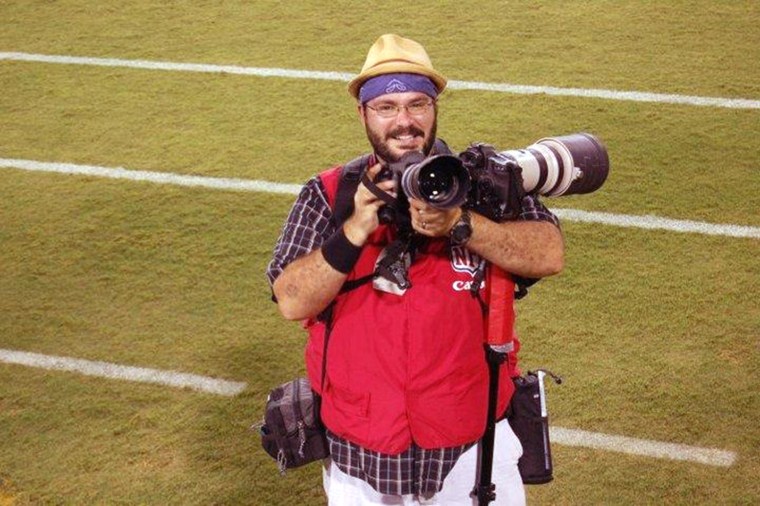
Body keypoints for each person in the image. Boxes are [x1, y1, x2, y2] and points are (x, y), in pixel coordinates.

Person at [266, 34, 564, 506]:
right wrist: (356, 227)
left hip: (474, 452)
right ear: (363, 114)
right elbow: (292, 300)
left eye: (417, 103)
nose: (404, 121)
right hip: (361, 459)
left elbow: (549, 253)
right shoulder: (328, 194)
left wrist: (461, 223)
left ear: (434, 107)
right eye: (386, 106)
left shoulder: (479, 181)